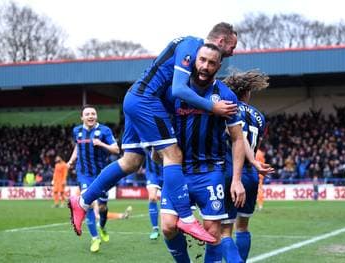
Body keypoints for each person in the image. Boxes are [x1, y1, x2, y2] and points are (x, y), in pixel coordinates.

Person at [68, 22, 239, 243]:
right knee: (173, 154)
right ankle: (186, 218)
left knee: (130, 162)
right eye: (232, 47)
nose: (233, 53)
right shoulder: (192, 45)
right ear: (221, 42)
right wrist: (212, 107)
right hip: (147, 101)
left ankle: (82, 201)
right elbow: (178, 89)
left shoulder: (188, 47)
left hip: (134, 98)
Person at [161, 43, 245, 263]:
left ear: (219, 66)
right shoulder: (176, 90)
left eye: (211, 63)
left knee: (213, 233)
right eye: (202, 60)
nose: (205, 66)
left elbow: (237, 139)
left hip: (210, 172)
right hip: (178, 170)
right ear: (194, 60)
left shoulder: (225, 95)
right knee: (168, 226)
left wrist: (236, 179)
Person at [221, 70, 272, 262]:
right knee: (242, 227)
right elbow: (255, 147)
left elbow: (236, 140)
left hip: (229, 172)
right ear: (247, 92)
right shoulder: (259, 116)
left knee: (224, 231)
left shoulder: (227, 110)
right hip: (250, 175)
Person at [67, 104, 120, 252]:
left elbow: (116, 149)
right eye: (87, 114)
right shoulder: (76, 131)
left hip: (101, 175)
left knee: (102, 207)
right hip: (84, 174)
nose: (91, 116)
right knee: (87, 203)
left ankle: (102, 227)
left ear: (96, 116)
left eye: (93, 114)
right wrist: (71, 160)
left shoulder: (104, 131)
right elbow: (77, 147)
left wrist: (101, 143)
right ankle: (95, 238)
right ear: (82, 117)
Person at [145, 153, 163, 240]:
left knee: (168, 201)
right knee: (152, 198)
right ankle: (155, 228)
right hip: (152, 173)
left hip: (166, 171)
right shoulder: (146, 141)